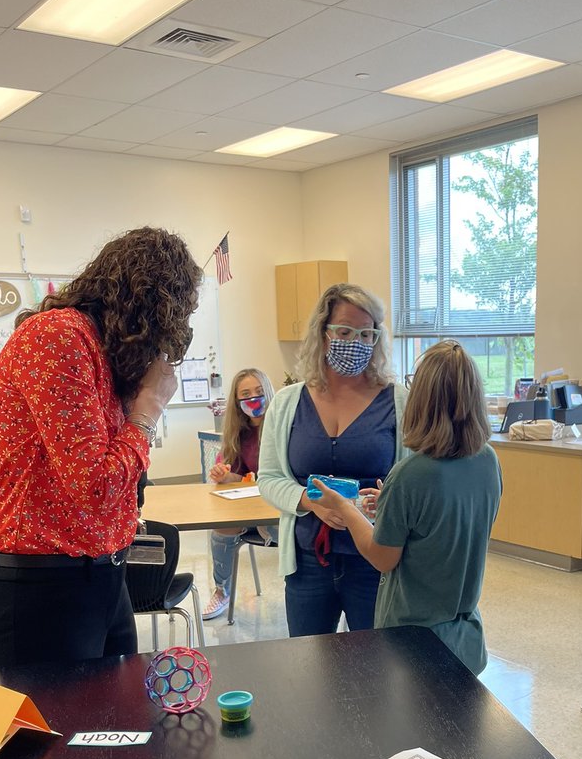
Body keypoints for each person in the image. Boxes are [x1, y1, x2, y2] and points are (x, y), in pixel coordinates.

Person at [0, 226, 200, 666]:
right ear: (149, 303)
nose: (178, 331)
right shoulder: (58, 337)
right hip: (43, 586)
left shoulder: (102, 349)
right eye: (178, 315)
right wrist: (147, 410)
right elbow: (95, 485)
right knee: (55, 734)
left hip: (101, 575)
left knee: (117, 728)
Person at [312, 341, 502, 675]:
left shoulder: (411, 475)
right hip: (465, 633)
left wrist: (346, 507)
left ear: (421, 400)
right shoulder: (487, 460)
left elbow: (382, 557)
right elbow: (449, 524)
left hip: (416, 641)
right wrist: (392, 507)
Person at [257, 283, 408, 636]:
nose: (355, 342)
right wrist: (311, 502)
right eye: (344, 331)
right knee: (309, 668)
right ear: (323, 335)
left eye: (366, 333)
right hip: (309, 560)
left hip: (375, 562)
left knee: (377, 668)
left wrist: (383, 501)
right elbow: (269, 478)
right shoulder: (287, 402)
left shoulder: (399, 401)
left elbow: (413, 482)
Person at [203, 367, 276, 620]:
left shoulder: (284, 425)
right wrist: (225, 476)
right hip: (251, 511)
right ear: (236, 401)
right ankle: (221, 592)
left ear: (268, 392)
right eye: (245, 394)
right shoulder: (238, 433)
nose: (253, 399)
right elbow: (240, 478)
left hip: (280, 510)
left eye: (258, 391)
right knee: (223, 527)